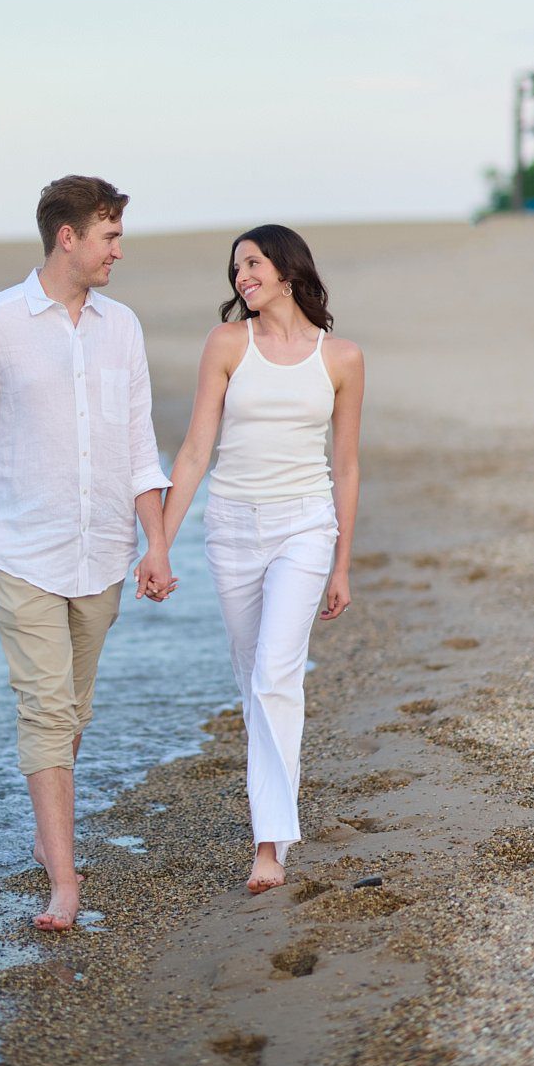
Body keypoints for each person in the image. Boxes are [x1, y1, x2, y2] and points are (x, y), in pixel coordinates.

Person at [0, 175, 175, 931]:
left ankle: (47, 838)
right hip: (21, 549)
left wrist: (156, 544)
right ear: (69, 238)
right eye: (109, 235)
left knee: (73, 712)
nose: (120, 249)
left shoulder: (124, 328)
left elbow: (140, 447)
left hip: (103, 552)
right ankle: (65, 881)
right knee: (48, 711)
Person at [158, 224, 364, 893]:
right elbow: (193, 454)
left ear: (286, 269)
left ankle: (269, 848)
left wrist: (341, 565)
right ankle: (271, 817)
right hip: (231, 530)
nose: (241, 275)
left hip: (305, 528)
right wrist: (158, 542)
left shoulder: (341, 359)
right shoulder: (226, 345)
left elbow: (348, 467)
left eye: (252, 262)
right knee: (254, 683)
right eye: (236, 267)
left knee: (277, 675)